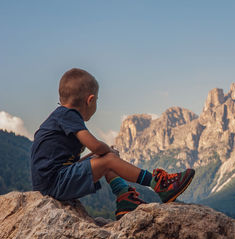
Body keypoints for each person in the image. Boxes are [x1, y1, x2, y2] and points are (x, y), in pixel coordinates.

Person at [30, 68, 195, 220]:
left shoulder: (60, 115)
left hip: (56, 179)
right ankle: (159, 184)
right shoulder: (68, 115)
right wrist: (107, 151)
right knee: (107, 159)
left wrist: (105, 154)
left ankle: (125, 198)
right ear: (90, 100)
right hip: (55, 183)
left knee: (106, 158)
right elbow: (95, 145)